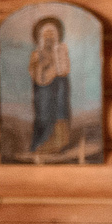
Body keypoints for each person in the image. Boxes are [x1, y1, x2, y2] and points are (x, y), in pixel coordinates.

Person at [29, 17, 72, 157]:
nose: (49, 37)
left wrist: (60, 63)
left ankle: (60, 144)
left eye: (52, 34)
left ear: (57, 36)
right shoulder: (36, 54)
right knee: (44, 115)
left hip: (59, 87)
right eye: (46, 34)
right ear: (41, 37)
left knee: (60, 113)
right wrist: (45, 65)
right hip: (44, 91)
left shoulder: (60, 51)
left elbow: (65, 70)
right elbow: (37, 75)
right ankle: (42, 145)